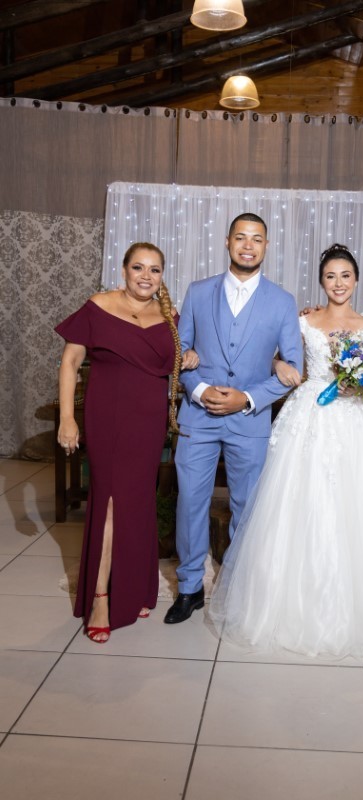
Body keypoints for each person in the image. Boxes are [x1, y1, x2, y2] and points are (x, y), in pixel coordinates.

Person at [209, 243, 363, 659]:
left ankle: (362, 607)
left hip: (358, 419)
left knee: (360, 506)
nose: (338, 283)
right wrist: (279, 366)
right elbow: (277, 359)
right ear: (321, 282)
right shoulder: (304, 320)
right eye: (330, 276)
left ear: (356, 280)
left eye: (345, 276)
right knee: (299, 502)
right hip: (310, 414)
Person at [164, 213, 303, 625]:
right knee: (191, 501)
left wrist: (248, 398)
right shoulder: (198, 291)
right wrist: (200, 391)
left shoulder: (283, 301)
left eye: (256, 239)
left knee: (248, 507)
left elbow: (293, 368)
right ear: (227, 242)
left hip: (250, 421)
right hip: (198, 416)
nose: (248, 245)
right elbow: (180, 353)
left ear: (266, 246)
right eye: (240, 237)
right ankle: (190, 587)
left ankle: (239, 589)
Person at [56, 242, 198, 643]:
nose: (145, 276)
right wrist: (67, 418)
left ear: (162, 275)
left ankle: (135, 588)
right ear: (123, 270)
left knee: (137, 502)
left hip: (148, 423)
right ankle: (101, 597)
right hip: (108, 417)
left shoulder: (170, 317)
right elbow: (69, 362)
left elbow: (182, 355)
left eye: (154, 270)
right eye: (138, 267)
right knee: (109, 503)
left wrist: (191, 356)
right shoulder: (98, 306)